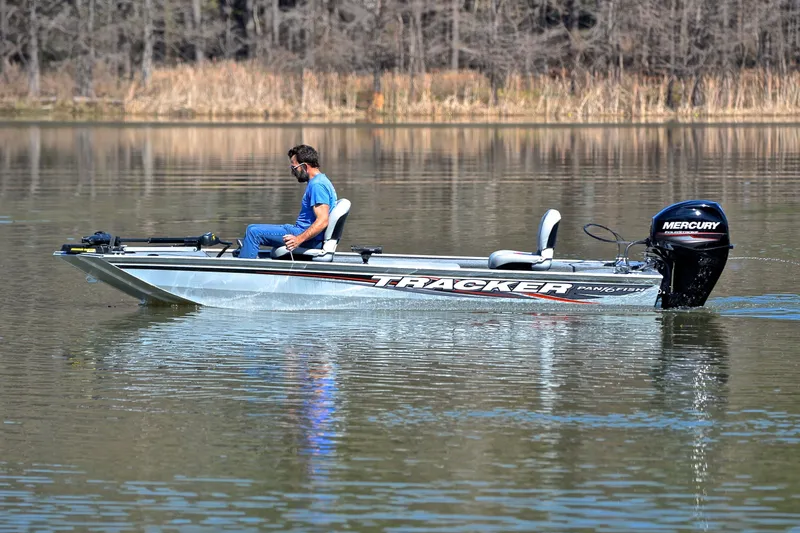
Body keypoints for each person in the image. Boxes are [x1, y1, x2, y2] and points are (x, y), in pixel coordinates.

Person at [238, 144, 338, 259]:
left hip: (307, 238)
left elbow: (323, 220)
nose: (293, 172)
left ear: (304, 166)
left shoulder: (317, 185)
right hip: (301, 231)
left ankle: (243, 267)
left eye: (294, 168)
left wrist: (298, 239)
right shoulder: (320, 181)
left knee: (253, 232)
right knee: (252, 227)